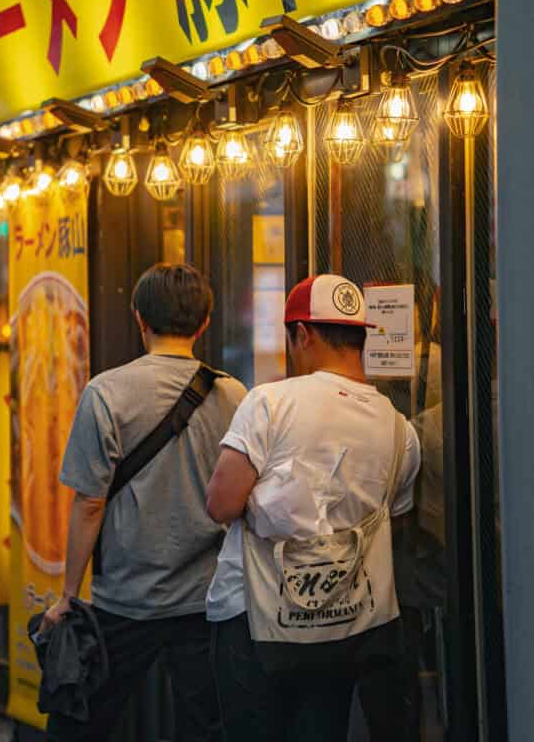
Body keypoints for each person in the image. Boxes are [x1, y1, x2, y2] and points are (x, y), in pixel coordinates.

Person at [206, 273, 421, 742]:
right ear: (361, 337)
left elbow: (221, 504)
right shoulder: (400, 429)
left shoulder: (270, 403)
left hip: (255, 616)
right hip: (343, 622)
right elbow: (394, 519)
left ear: (302, 334)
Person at [42, 262, 246, 742]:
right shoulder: (232, 394)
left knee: (81, 721)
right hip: (207, 598)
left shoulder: (105, 393)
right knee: (205, 728)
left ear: (139, 318)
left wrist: (69, 596)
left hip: (124, 600)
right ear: (205, 323)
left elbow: (89, 504)